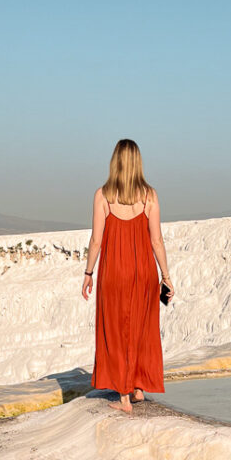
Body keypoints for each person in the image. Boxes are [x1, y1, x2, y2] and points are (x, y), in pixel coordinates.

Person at [82, 139, 174, 412]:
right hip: (143, 271)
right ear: (138, 163)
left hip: (113, 271)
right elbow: (156, 240)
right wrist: (166, 276)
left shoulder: (102, 195)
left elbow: (96, 240)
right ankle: (138, 387)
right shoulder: (150, 196)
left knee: (115, 327)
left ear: (115, 162)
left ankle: (123, 398)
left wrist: (88, 272)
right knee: (141, 327)